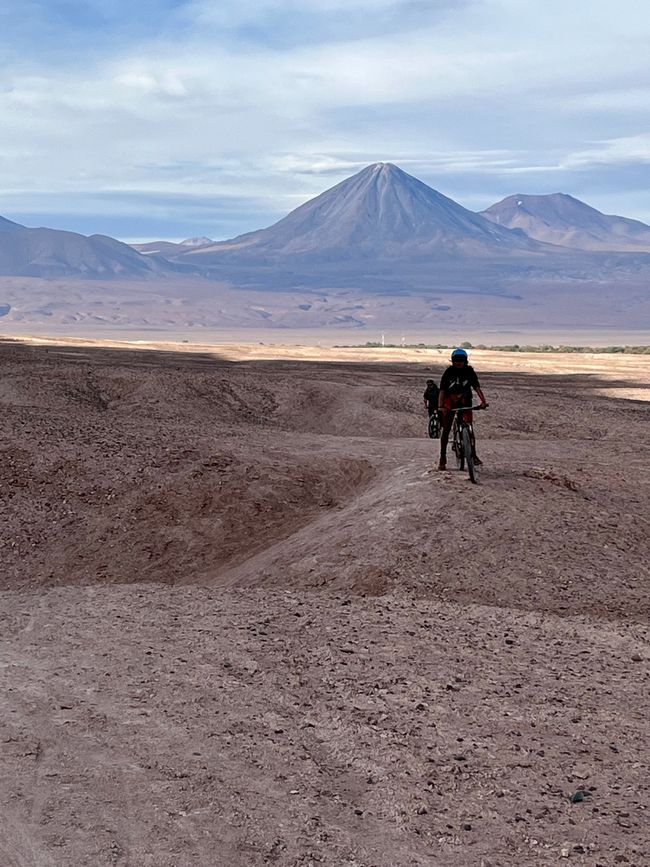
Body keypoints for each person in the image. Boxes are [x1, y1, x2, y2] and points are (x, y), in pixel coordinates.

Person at [437, 347, 487, 470]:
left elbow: (476, 387)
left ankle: (473, 454)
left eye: (461, 360)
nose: (458, 362)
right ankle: (442, 458)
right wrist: (440, 406)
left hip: (465, 402)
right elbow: (442, 390)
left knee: (469, 427)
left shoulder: (470, 372)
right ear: (452, 361)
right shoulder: (448, 372)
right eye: (456, 360)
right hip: (450, 403)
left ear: (465, 360)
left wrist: (484, 402)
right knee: (446, 429)